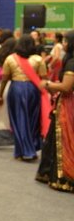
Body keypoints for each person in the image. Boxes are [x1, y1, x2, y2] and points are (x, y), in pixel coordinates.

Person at [0, 34, 50, 162]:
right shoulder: (38, 59)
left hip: (16, 89)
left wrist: (0, 95)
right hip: (33, 90)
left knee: (19, 120)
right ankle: (31, 146)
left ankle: (23, 150)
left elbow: (4, 79)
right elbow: (44, 78)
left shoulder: (10, 59)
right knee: (32, 119)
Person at [37, 30, 74, 192]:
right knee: (54, 137)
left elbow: (66, 87)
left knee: (65, 140)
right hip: (65, 103)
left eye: (65, 41)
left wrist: (47, 84)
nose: (63, 44)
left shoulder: (72, 62)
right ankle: (47, 172)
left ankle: (65, 177)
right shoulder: (69, 60)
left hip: (69, 105)